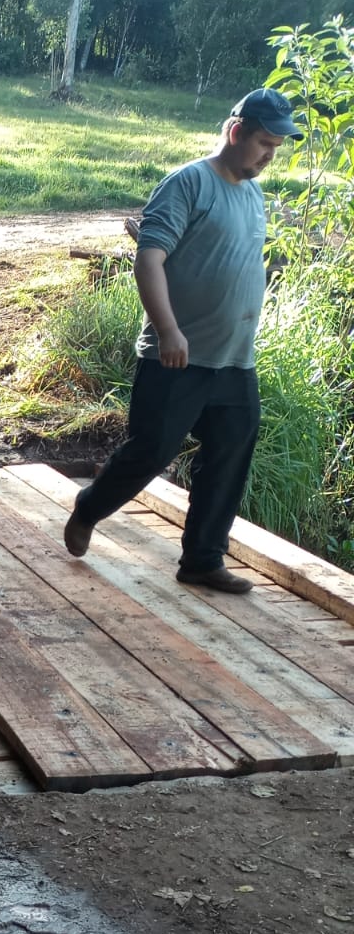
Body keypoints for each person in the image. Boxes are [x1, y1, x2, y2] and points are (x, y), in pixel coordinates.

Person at [63, 87, 303, 594]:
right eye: (264, 143)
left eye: (276, 147)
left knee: (229, 455)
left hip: (234, 361)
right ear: (235, 132)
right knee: (151, 451)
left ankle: (202, 560)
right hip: (178, 356)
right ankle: (89, 507)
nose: (270, 155)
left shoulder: (252, 193)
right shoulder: (188, 183)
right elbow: (148, 259)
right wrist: (168, 330)